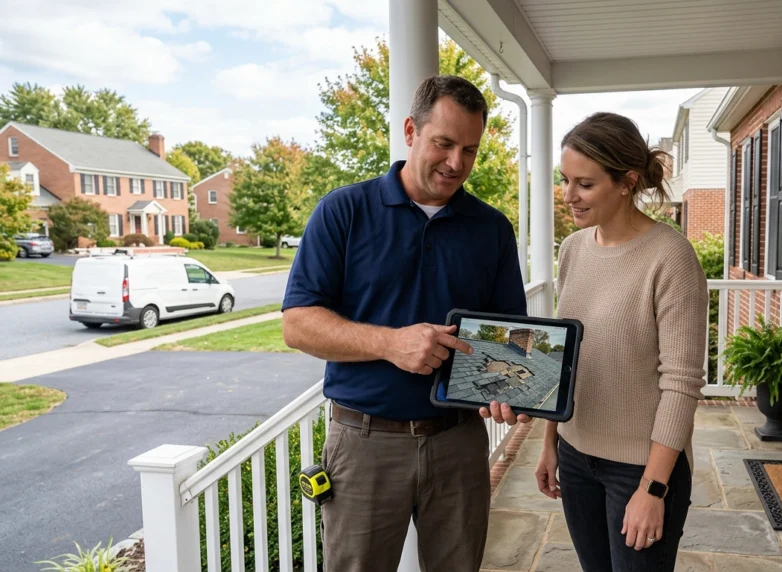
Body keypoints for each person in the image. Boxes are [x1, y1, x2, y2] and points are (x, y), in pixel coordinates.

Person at [281, 75, 528, 572]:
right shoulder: (343, 211)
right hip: (364, 442)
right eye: (444, 143)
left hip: (460, 442)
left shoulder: (492, 228)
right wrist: (391, 343)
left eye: (471, 149)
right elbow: (298, 325)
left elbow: (512, 338)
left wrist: (516, 391)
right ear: (411, 131)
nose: (457, 162)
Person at [520, 111, 708, 571]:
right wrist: (551, 441)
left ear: (626, 182)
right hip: (576, 456)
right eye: (565, 181)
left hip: (639, 470)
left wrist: (653, 488)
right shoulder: (573, 250)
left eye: (584, 184)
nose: (569, 196)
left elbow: (681, 385)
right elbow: (565, 357)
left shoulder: (671, 257)